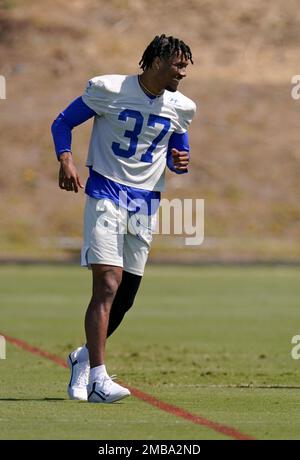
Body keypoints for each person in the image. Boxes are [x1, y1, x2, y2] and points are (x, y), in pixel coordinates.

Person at [51, 34, 196, 403]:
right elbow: (62, 122)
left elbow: (178, 150)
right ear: (157, 61)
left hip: (146, 202)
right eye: (179, 64)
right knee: (108, 284)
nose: (184, 71)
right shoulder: (109, 89)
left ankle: (83, 357)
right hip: (106, 192)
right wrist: (66, 159)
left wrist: (180, 161)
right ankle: (99, 378)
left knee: (126, 297)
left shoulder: (182, 107)